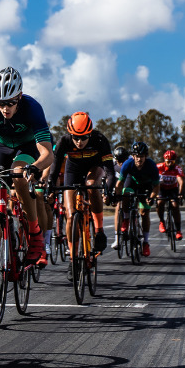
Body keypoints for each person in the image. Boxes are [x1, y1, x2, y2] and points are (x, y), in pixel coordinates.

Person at [0, 67, 54, 291]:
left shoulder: (33, 108)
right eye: (0, 103)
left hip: (27, 148)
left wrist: (34, 168)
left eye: (10, 103)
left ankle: (35, 234)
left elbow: (47, 153)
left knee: (18, 172)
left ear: (20, 97)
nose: (5, 109)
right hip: (1, 148)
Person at [45, 112, 116, 276]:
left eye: (83, 137)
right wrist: (50, 188)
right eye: (75, 137)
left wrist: (108, 189)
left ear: (89, 133)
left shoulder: (99, 140)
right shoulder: (65, 141)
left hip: (94, 167)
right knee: (70, 216)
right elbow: (54, 170)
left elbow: (110, 171)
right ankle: (73, 259)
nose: (79, 141)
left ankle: (99, 230)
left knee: (91, 185)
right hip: (73, 169)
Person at [111, 141, 161, 257]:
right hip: (132, 183)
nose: (139, 159)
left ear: (146, 157)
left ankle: (146, 243)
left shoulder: (151, 166)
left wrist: (152, 197)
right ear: (133, 156)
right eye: (137, 156)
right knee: (125, 194)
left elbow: (156, 186)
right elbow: (120, 183)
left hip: (146, 187)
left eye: (142, 157)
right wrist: (116, 196)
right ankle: (126, 219)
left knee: (144, 213)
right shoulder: (127, 164)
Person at [156, 149, 185, 240]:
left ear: (174, 161)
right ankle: (162, 222)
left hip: (173, 189)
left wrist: (180, 193)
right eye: (168, 161)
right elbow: (152, 178)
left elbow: (180, 181)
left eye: (172, 161)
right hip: (162, 189)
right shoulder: (159, 167)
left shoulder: (177, 168)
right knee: (160, 203)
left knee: (175, 206)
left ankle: (178, 231)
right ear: (164, 160)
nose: (169, 163)